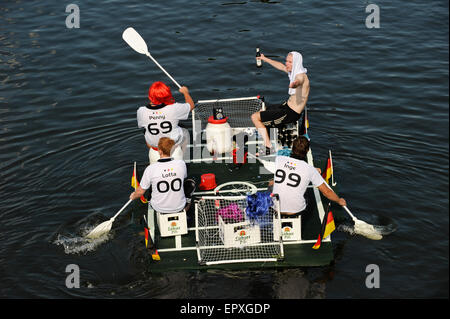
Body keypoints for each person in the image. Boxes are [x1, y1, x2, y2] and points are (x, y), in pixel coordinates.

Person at [270, 136, 346, 216]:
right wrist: (339, 200)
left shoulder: (279, 159)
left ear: (292, 148)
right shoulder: (310, 170)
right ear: (307, 150)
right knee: (308, 194)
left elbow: (293, 167)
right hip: (296, 211)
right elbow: (327, 192)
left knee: (272, 184)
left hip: (275, 207)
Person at [251, 51, 310, 154]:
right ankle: (270, 132)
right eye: (286, 61)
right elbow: (281, 66)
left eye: (290, 62)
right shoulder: (293, 71)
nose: (287, 63)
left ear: (296, 63)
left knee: (255, 117)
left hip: (291, 113)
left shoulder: (301, 76)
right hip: (286, 106)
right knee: (264, 109)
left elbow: (299, 80)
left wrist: (295, 84)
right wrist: (264, 58)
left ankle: (268, 147)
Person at [130, 137, 195, 213]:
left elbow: (140, 192)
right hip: (179, 207)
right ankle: (185, 211)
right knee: (190, 183)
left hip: (159, 208)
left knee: (150, 187)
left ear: (159, 151)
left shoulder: (151, 168)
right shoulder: (181, 164)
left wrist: (133, 195)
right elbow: (182, 177)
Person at [137, 81, 195, 163]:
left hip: (155, 149)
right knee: (185, 131)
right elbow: (191, 105)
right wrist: (185, 92)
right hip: (173, 149)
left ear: (150, 96)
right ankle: (186, 157)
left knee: (145, 130)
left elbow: (143, 127)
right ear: (167, 94)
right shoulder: (174, 108)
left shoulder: (141, 111)